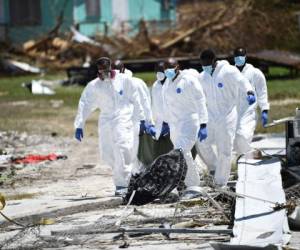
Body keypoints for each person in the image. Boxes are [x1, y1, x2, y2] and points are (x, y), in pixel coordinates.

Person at [74, 57, 150, 196]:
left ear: (111, 68)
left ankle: (122, 185)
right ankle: (128, 177)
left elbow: (138, 101)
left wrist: (143, 120)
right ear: (98, 71)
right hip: (106, 121)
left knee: (123, 149)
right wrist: (80, 124)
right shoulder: (94, 85)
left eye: (107, 70)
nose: (105, 74)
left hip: (123, 119)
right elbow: (85, 104)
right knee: (107, 152)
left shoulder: (125, 81)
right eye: (101, 71)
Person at [196, 49, 255, 187]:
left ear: (214, 61)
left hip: (227, 116)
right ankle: (215, 167)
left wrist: (249, 92)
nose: (205, 67)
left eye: (207, 64)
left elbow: (242, 81)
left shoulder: (228, 71)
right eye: (203, 64)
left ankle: (221, 182)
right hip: (210, 115)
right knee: (201, 142)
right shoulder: (202, 76)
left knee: (225, 149)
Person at [161, 58, 208, 199]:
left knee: (182, 152)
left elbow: (201, 101)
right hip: (175, 125)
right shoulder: (167, 83)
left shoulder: (188, 80)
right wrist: (165, 122)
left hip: (190, 122)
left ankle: (194, 186)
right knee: (182, 155)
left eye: (170, 67)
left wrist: (204, 123)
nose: (167, 70)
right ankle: (188, 185)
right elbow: (166, 104)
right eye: (165, 67)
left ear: (177, 66)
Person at [112, 60, 155, 170]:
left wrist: (147, 122)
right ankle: (133, 178)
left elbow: (145, 103)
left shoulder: (135, 82)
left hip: (137, 123)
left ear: (122, 69)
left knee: (142, 153)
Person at [233, 47, 270, 155]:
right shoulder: (231, 72)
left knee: (243, 135)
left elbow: (262, 91)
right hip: (233, 113)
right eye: (237, 56)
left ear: (245, 57)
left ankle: (251, 155)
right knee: (235, 143)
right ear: (233, 58)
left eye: (241, 56)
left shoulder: (254, 73)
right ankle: (248, 156)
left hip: (248, 112)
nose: (239, 58)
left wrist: (264, 110)